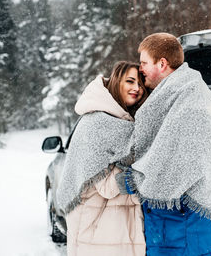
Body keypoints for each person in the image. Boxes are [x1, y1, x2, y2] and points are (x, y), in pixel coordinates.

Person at [116, 33, 211, 256]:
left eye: (143, 63)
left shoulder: (191, 103)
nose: (140, 69)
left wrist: (129, 181)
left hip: (182, 234)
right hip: (172, 229)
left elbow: (173, 165)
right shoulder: (177, 96)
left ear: (162, 63)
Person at [56, 61, 148, 256]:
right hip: (98, 230)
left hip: (113, 228)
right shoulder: (97, 122)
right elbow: (108, 186)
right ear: (115, 82)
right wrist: (146, 174)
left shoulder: (124, 121)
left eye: (140, 83)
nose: (136, 88)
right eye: (130, 81)